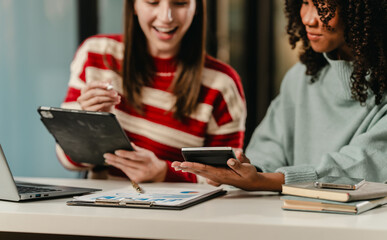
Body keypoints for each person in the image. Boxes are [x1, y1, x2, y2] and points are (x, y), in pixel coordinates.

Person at [172, 0, 387, 191]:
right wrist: (248, 169)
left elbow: (363, 166)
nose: (308, 18)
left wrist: (264, 180)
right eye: (304, 2)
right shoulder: (301, 77)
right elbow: (268, 147)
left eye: (323, 6)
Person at [58, 0, 246, 183]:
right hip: (102, 208)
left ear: (196, 7)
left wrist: (163, 172)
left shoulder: (221, 84)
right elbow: (68, 161)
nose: (166, 17)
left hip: (182, 213)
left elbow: (227, 178)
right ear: (133, 5)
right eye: (152, 2)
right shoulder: (96, 54)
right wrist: (88, 123)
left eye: (180, 3)